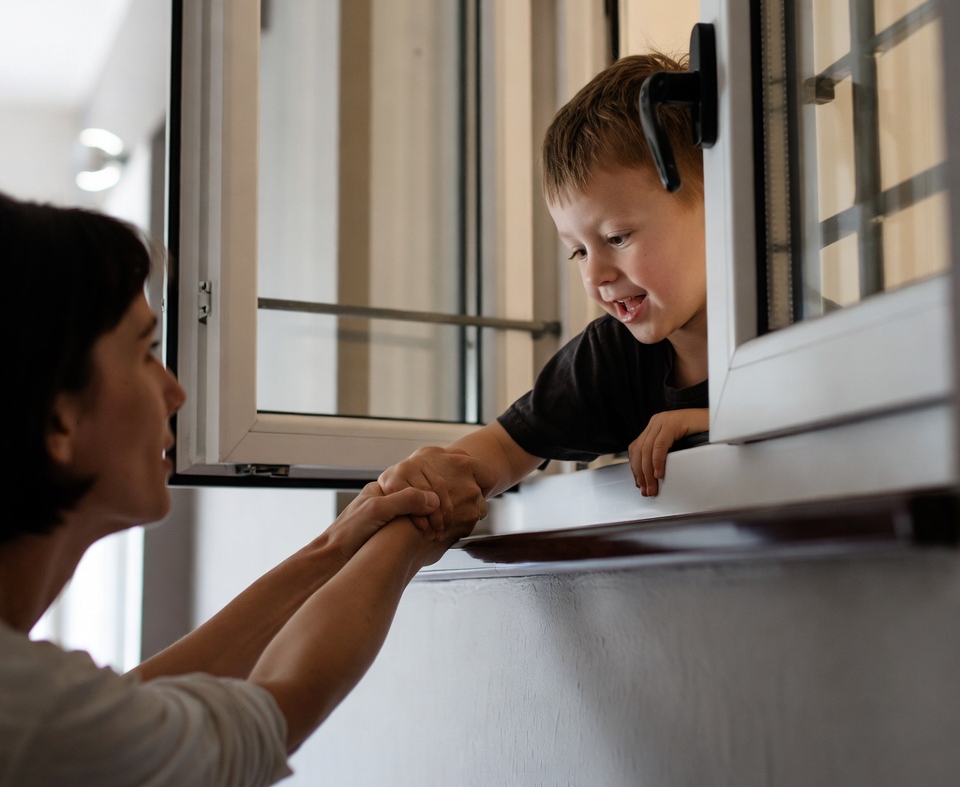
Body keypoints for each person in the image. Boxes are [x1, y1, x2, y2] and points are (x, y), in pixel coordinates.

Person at [0, 192, 488, 786]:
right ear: (58, 418)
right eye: (146, 352)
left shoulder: (36, 706)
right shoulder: (31, 713)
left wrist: (337, 546)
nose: (174, 393)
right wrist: (415, 528)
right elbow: (266, 719)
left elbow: (132, 708)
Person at [380, 52, 708, 514]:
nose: (595, 275)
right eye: (579, 251)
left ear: (718, 203)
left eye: (617, 237)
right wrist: (446, 474)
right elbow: (508, 445)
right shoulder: (611, 356)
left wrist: (715, 424)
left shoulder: (796, 332)